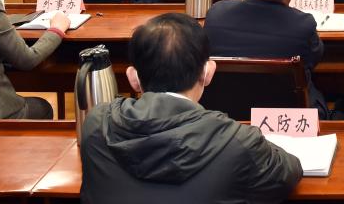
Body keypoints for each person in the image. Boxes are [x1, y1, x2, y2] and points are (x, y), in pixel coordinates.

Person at [79, 12, 302, 203]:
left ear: (133, 78)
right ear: (207, 73)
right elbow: (288, 172)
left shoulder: (97, 125)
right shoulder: (239, 142)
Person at [206, 0, 334, 118]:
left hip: (226, 116)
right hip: (286, 118)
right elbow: (313, 59)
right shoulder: (303, 25)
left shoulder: (216, 13)